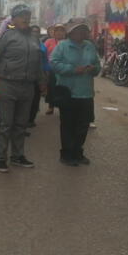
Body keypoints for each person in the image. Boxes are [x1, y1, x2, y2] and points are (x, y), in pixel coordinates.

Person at [0, 5, 46, 173]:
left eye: (28, 15)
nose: (25, 18)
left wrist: (42, 83)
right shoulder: (7, 36)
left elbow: (38, 63)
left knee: (21, 124)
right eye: (21, 16)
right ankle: (1, 158)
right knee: (5, 124)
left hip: (28, 87)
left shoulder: (34, 38)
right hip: (7, 85)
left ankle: (17, 156)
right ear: (14, 19)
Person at [51, 18, 100, 167]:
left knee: (83, 125)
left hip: (86, 92)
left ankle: (78, 152)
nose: (80, 33)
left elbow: (97, 66)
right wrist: (73, 69)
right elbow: (54, 63)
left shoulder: (90, 46)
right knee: (68, 125)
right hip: (68, 92)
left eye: (83, 31)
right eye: (77, 31)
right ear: (70, 33)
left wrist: (94, 69)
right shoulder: (62, 46)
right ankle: (66, 154)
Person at [27, 25, 47, 128]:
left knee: (35, 99)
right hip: (26, 76)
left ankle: (31, 119)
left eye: (37, 32)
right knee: (26, 100)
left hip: (39, 74)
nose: (35, 33)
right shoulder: (25, 43)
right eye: (33, 31)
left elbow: (44, 62)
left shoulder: (42, 45)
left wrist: (43, 80)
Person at [44, 24, 66, 115]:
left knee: (63, 89)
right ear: (54, 32)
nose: (59, 32)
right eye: (57, 31)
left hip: (64, 70)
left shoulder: (68, 42)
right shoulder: (49, 41)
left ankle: (63, 107)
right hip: (51, 69)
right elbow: (44, 54)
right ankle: (51, 106)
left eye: (62, 31)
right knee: (51, 88)